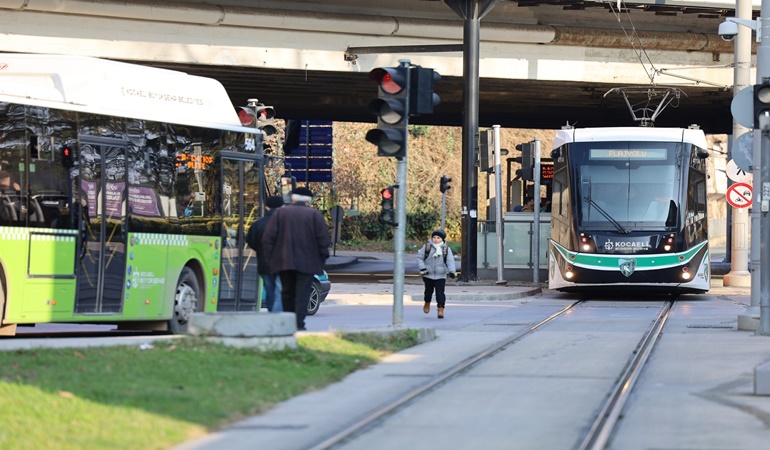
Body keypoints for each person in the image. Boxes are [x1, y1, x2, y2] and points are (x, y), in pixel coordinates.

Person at [262, 187, 330, 331]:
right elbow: (323, 240)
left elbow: (268, 238)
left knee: (287, 292)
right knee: (302, 293)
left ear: (293, 198)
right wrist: (321, 259)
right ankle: (298, 323)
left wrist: (272, 258)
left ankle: (288, 321)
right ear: (308, 200)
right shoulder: (314, 215)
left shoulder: (280, 213)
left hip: (284, 262)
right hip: (308, 263)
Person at [246, 195, 284, 312]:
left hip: (264, 263)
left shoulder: (258, 224)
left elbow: (251, 242)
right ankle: (278, 316)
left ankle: (271, 312)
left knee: (269, 290)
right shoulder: (287, 223)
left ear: (266, 207)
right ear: (282, 207)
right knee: (280, 290)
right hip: (283, 263)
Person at [417, 229, 457, 319]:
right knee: (428, 292)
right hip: (428, 274)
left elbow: (450, 261)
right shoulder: (427, 247)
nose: (435, 239)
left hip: (440, 275)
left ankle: (441, 309)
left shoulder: (446, 249)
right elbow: (419, 257)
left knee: (440, 293)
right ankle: (427, 302)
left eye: (438, 238)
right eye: (434, 237)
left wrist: (452, 271)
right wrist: (423, 268)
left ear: (442, 239)